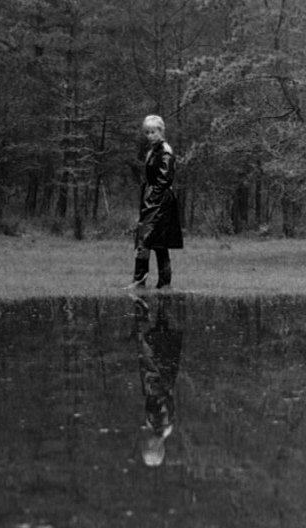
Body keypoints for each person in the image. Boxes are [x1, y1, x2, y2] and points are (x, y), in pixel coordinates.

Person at [133, 115, 183, 289]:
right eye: (147, 132)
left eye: (153, 132)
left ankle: (157, 282)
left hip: (160, 200)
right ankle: (146, 282)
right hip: (153, 197)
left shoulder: (165, 151)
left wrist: (153, 197)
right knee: (149, 241)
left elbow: (165, 178)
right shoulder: (153, 151)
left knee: (153, 242)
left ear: (161, 131)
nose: (150, 135)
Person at [132, 295, 183, 467]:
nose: (145, 443)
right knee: (154, 342)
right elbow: (161, 400)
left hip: (158, 378)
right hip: (158, 378)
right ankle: (156, 302)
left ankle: (158, 301)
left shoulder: (159, 426)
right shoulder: (160, 424)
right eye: (147, 446)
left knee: (157, 337)